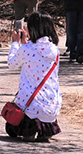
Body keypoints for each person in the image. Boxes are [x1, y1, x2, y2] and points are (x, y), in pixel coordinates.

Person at [6, 11, 63, 142]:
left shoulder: (26, 49)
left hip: (29, 104)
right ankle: (45, 131)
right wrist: (26, 43)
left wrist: (16, 43)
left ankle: (28, 131)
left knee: (12, 126)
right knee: (42, 110)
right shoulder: (54, 50)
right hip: (51, 106)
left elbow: (12, 64)